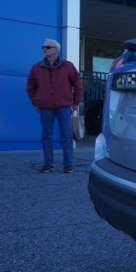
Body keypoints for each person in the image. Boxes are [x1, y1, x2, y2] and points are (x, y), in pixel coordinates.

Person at [26, 39, 83, 173]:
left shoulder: (68, 66)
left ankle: (68, 165)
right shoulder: (37, 67)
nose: (44, 49)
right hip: (45, 108)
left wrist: (75, 102)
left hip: (63, 106)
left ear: (56, 50)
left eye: (48, 47)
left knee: (66, 136)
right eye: (43, 47)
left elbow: (78, 84)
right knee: (46, 136)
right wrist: (35, 102)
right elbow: (30, 87)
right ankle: (48, 164)